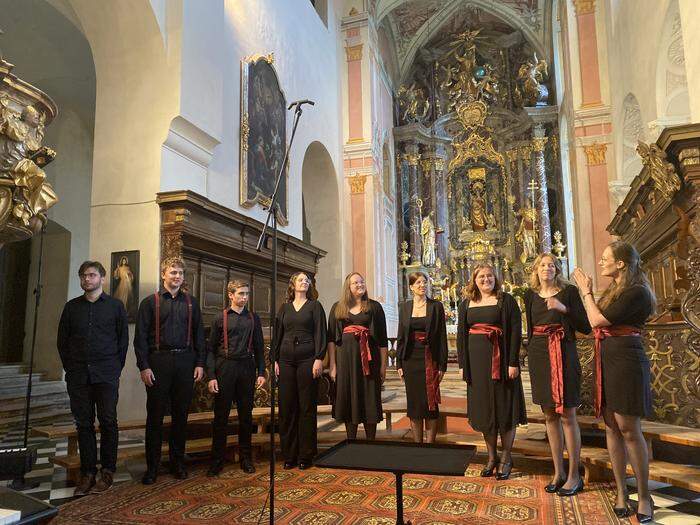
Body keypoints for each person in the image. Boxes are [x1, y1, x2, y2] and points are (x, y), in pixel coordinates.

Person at [572, 242, 656, 522]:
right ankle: (621, 491)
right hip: (608, 360)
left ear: (621, 263)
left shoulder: (637, 292)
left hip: (627, 362)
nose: (601, 262)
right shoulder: (615, 291)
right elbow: (592, 320)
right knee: (611, 427)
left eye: (605, 258)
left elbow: (596, 320)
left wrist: (585, 290)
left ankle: (644, 496)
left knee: (629, 429)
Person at [57, 261, 129, 496]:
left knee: (108, 422)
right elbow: (62, 342)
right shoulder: (71, 308)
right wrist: (71, 368)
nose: (87, 279)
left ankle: (107, 471)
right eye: (83, 276)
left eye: (91, 275)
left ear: (102, 278)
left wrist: (114, 369)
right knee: (84, 424)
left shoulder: (116, 306)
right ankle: (88, 473)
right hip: (78, 375)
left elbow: (122, 341)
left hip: (106, 374)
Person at [134, 257, 205, 484]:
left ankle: (178, 463)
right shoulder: (149, 303)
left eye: (180, 273)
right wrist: (143, 366)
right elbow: (140, 339)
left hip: (185, 361)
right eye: (173, 272)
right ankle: (152, 468)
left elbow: (199, 337)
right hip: (158, 362)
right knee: (155, 417)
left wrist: (200, 363)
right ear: (163, 274)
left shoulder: (192, 303)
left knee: (180, 417)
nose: (177, 276)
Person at [524, 254, 591, 496]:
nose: (547, 268)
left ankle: (574, 474)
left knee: (568, 415)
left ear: (557, 269)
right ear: (536, 269)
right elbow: (530, 330)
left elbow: (585, 326)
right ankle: (558, 472)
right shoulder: (529, 295)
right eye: (542, 264)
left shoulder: (569, 292)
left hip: (563, 352)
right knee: (549, 415)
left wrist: (563, 309)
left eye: (551, 264)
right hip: (540, 356)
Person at [457, 264, 526, 480]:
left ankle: (506, 457)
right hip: (477, 365)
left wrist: (513, 362)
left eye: (489, 276)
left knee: (504, 406)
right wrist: (463, 365)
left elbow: (515, 332)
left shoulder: (507, 301)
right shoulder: (466, 303)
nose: (486, 279)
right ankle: (491, 456)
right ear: (474, 280)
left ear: (495, 278)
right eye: (481, 277)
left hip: (502, 361)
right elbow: (461, 336)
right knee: (484, 409)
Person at [206, 280, 266, 476]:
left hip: (246, 367)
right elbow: (211, 350)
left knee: (245, 417)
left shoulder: (253, 318)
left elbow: (258, 347)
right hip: (225, 366)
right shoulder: (219, 318)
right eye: (241, 294)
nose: (244, 297)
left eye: (247, 294)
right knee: (221, 417)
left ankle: (246, 458)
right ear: (230, 295)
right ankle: (217, 461)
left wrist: (261, 372)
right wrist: (212, 376)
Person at [272, 272, 327, 470]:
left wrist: (319, 358)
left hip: (307, 359)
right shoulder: (284, 308)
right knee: (287, 407)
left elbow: (321, 331)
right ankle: (289, 455)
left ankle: (306, 454)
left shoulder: (315, 306)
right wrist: (275, 360)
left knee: (306, 407)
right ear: (293, 284)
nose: (305, 282)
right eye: (301, 279)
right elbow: (278, 334)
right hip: (286, 360)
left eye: (307, 280)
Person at [328, 272, 388, 440]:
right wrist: (333, 365)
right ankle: (351, 441)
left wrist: (383, 366)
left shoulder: (374, 307)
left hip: (369, 361)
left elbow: (382, 340)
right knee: (348, 396)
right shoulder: (337, 307)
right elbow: (331, 340)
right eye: (356, 282)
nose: (360, 284)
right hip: (345, 362)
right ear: (348, 287)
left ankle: (371, 443)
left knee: (370, 397)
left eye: (362, 282)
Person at [396, 272, 448, 443]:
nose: (422, 285)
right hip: (410, 360)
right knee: (415, 403)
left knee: (430, 402)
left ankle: (431, 444)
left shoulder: (436, 306)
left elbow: (441, 337)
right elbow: (401, 337)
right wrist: (399, 363)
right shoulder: (404, 307)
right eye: (418, 282)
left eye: (424, 282)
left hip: (430, 359)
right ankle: (417, 445)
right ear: (411, 286)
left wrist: (442, 365)